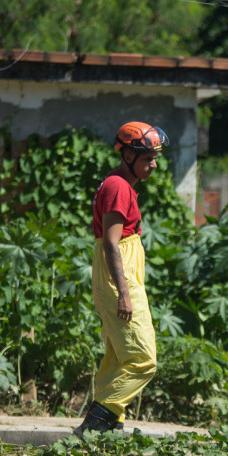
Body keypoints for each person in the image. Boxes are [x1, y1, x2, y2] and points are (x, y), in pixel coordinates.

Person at [75, 122, 168, 436]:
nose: (153, 164)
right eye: (147, 158)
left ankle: (109, 431)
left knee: (118, 357)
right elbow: (111, 242)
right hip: (119, 277)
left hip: (118, 274)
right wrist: (124, 293)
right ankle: (94, 425)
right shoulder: (118, 187)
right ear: (127, 154)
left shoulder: (120, 185)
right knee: (143, 359)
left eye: (154, 157)